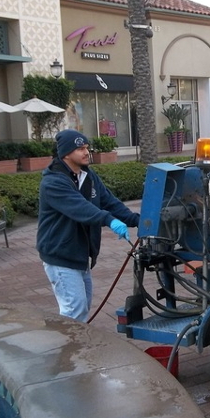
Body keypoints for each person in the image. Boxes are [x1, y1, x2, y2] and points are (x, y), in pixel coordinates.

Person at [36, 129, 140, 322]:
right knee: (74, 310)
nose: (86, 152)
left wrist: (136, 220)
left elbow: (110, 202)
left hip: (81, 254)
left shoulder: (88, 176)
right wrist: (109, 220)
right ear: (66, 154)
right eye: (80, 148)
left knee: (82, 307)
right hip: (60, 255)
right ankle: (68, 350)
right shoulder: (53, 183)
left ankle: (73, 348)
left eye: (86, 147)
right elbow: (81, 208)